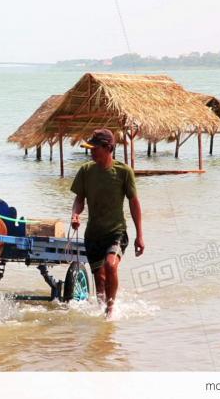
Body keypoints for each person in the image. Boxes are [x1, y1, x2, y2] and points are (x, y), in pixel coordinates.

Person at [70, 129, 144, 318]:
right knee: (100, 279)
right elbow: (80, 199)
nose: (91, 152)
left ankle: (111, 309)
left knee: (111, 266)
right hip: (93, 235)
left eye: (95, 148)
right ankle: (102, 313)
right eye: (90, 148)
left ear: (108, 148)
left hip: (116, 232)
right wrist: (76, 215)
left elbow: (134, 203)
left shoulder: (124, 172)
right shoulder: (86, 171)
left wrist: (140, 236)